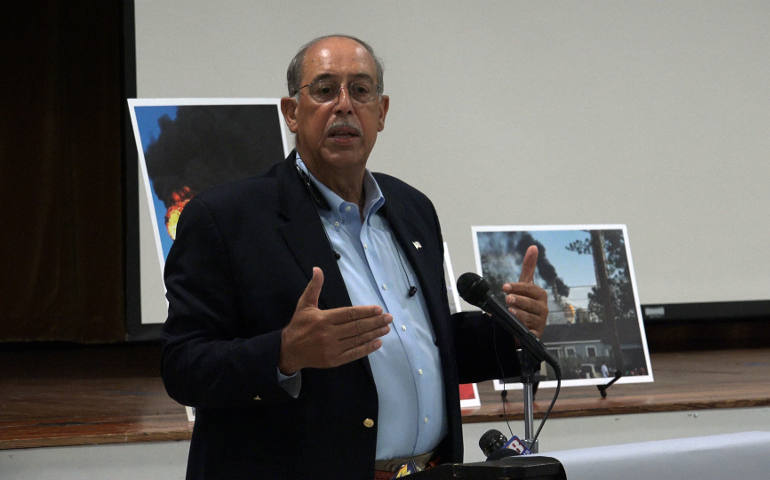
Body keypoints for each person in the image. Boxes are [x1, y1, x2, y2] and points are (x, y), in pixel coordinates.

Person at [161, 34, 548, 480]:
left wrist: (513, 331)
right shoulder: (225, 217)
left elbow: (425, 342)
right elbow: (183, 366)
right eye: (324, 90)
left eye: (361, 91)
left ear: (380, 113)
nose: (344, 105)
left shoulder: (411, 207)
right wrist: (284, 353)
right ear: (292, 112)